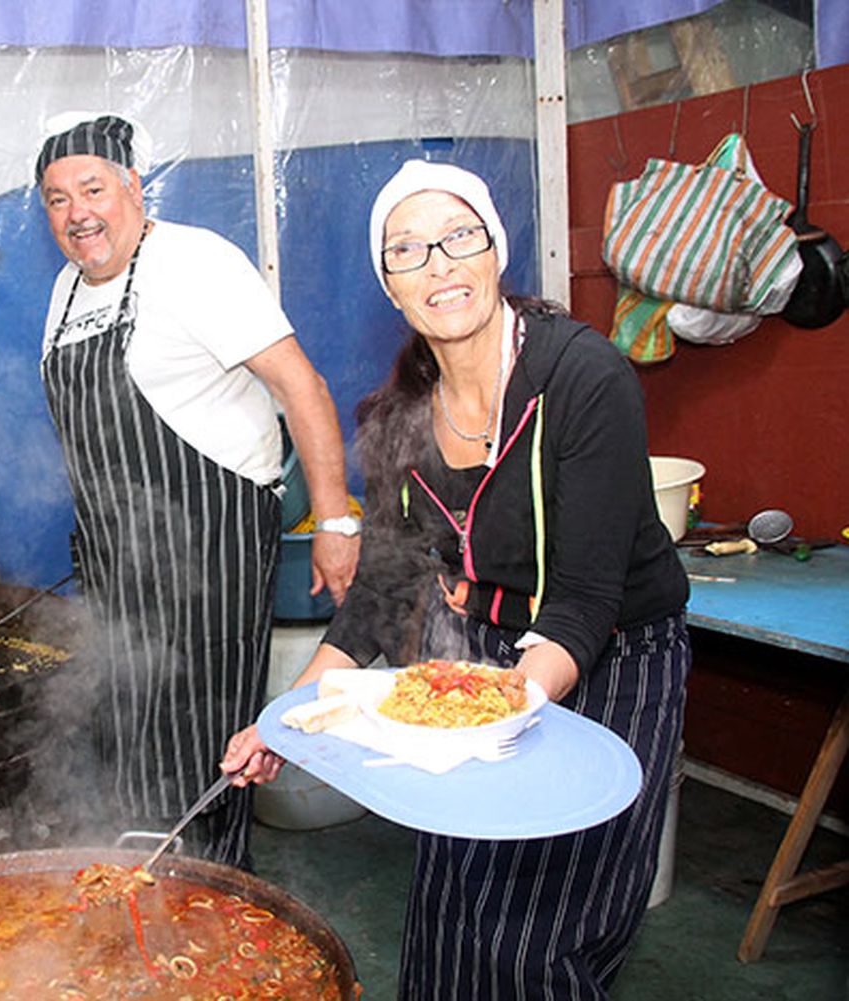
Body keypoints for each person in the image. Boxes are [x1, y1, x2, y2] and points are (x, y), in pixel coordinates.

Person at [222, 160, 690, 997]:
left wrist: (489, 711)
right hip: (480, 667)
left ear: (494, 253)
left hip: (612, 660)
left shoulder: (583, 380)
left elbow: (585, 600)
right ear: (391, 288)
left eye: (457, 237)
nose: (437, 263)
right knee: (451, 917)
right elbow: (383, 592)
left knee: (539, 938)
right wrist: (286, 716)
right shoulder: (396, 417)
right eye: (408, 251)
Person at [34, 112, 360, 868]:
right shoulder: (63, 291)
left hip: (206, 551)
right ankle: (140, 900)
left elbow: (303, 387)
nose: (78, 212)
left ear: (133, 189)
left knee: (197, 749)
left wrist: (337, 520)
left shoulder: (195, 263)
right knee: (125, 739)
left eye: (93, 187)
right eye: (56, 198)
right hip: (115, 556)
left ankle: (209, 907)